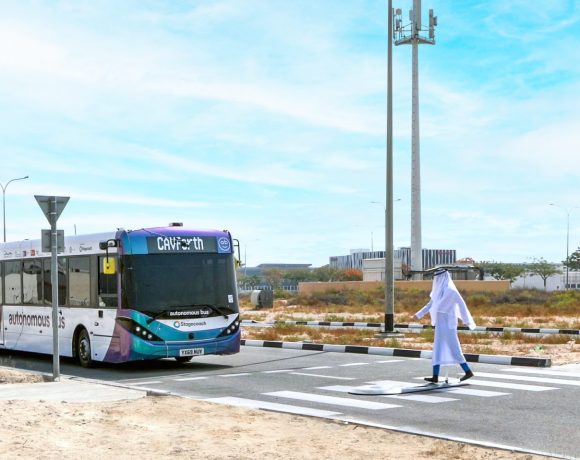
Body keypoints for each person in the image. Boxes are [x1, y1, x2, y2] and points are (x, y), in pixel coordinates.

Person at [415, 269, 475, 383]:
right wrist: (419, 314)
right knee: (437, 349)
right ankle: (435, 376)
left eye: (437, 278)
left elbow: (462, 305)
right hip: (440, 325)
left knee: (455, 349)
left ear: (443, 278)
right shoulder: (438, 292)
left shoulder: (451, 291)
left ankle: (468, 371)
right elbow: (431, 304)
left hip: (449, 325)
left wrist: (467, 320)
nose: (436, 281)